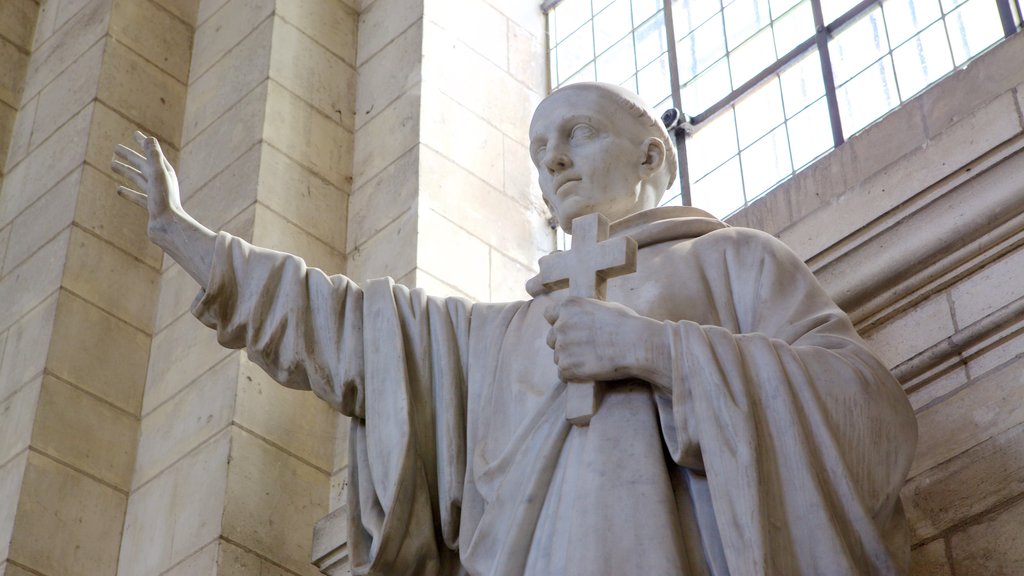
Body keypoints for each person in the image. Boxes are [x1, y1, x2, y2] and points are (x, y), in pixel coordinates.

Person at [112, 82, 917, 576]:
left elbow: (865, 406)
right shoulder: (504, 336)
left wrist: (656, 351)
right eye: (539, 149)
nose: (554, 162)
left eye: (579, 134)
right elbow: (353, 326)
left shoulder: (734, 261)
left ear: (652, 158)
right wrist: (189, 241)